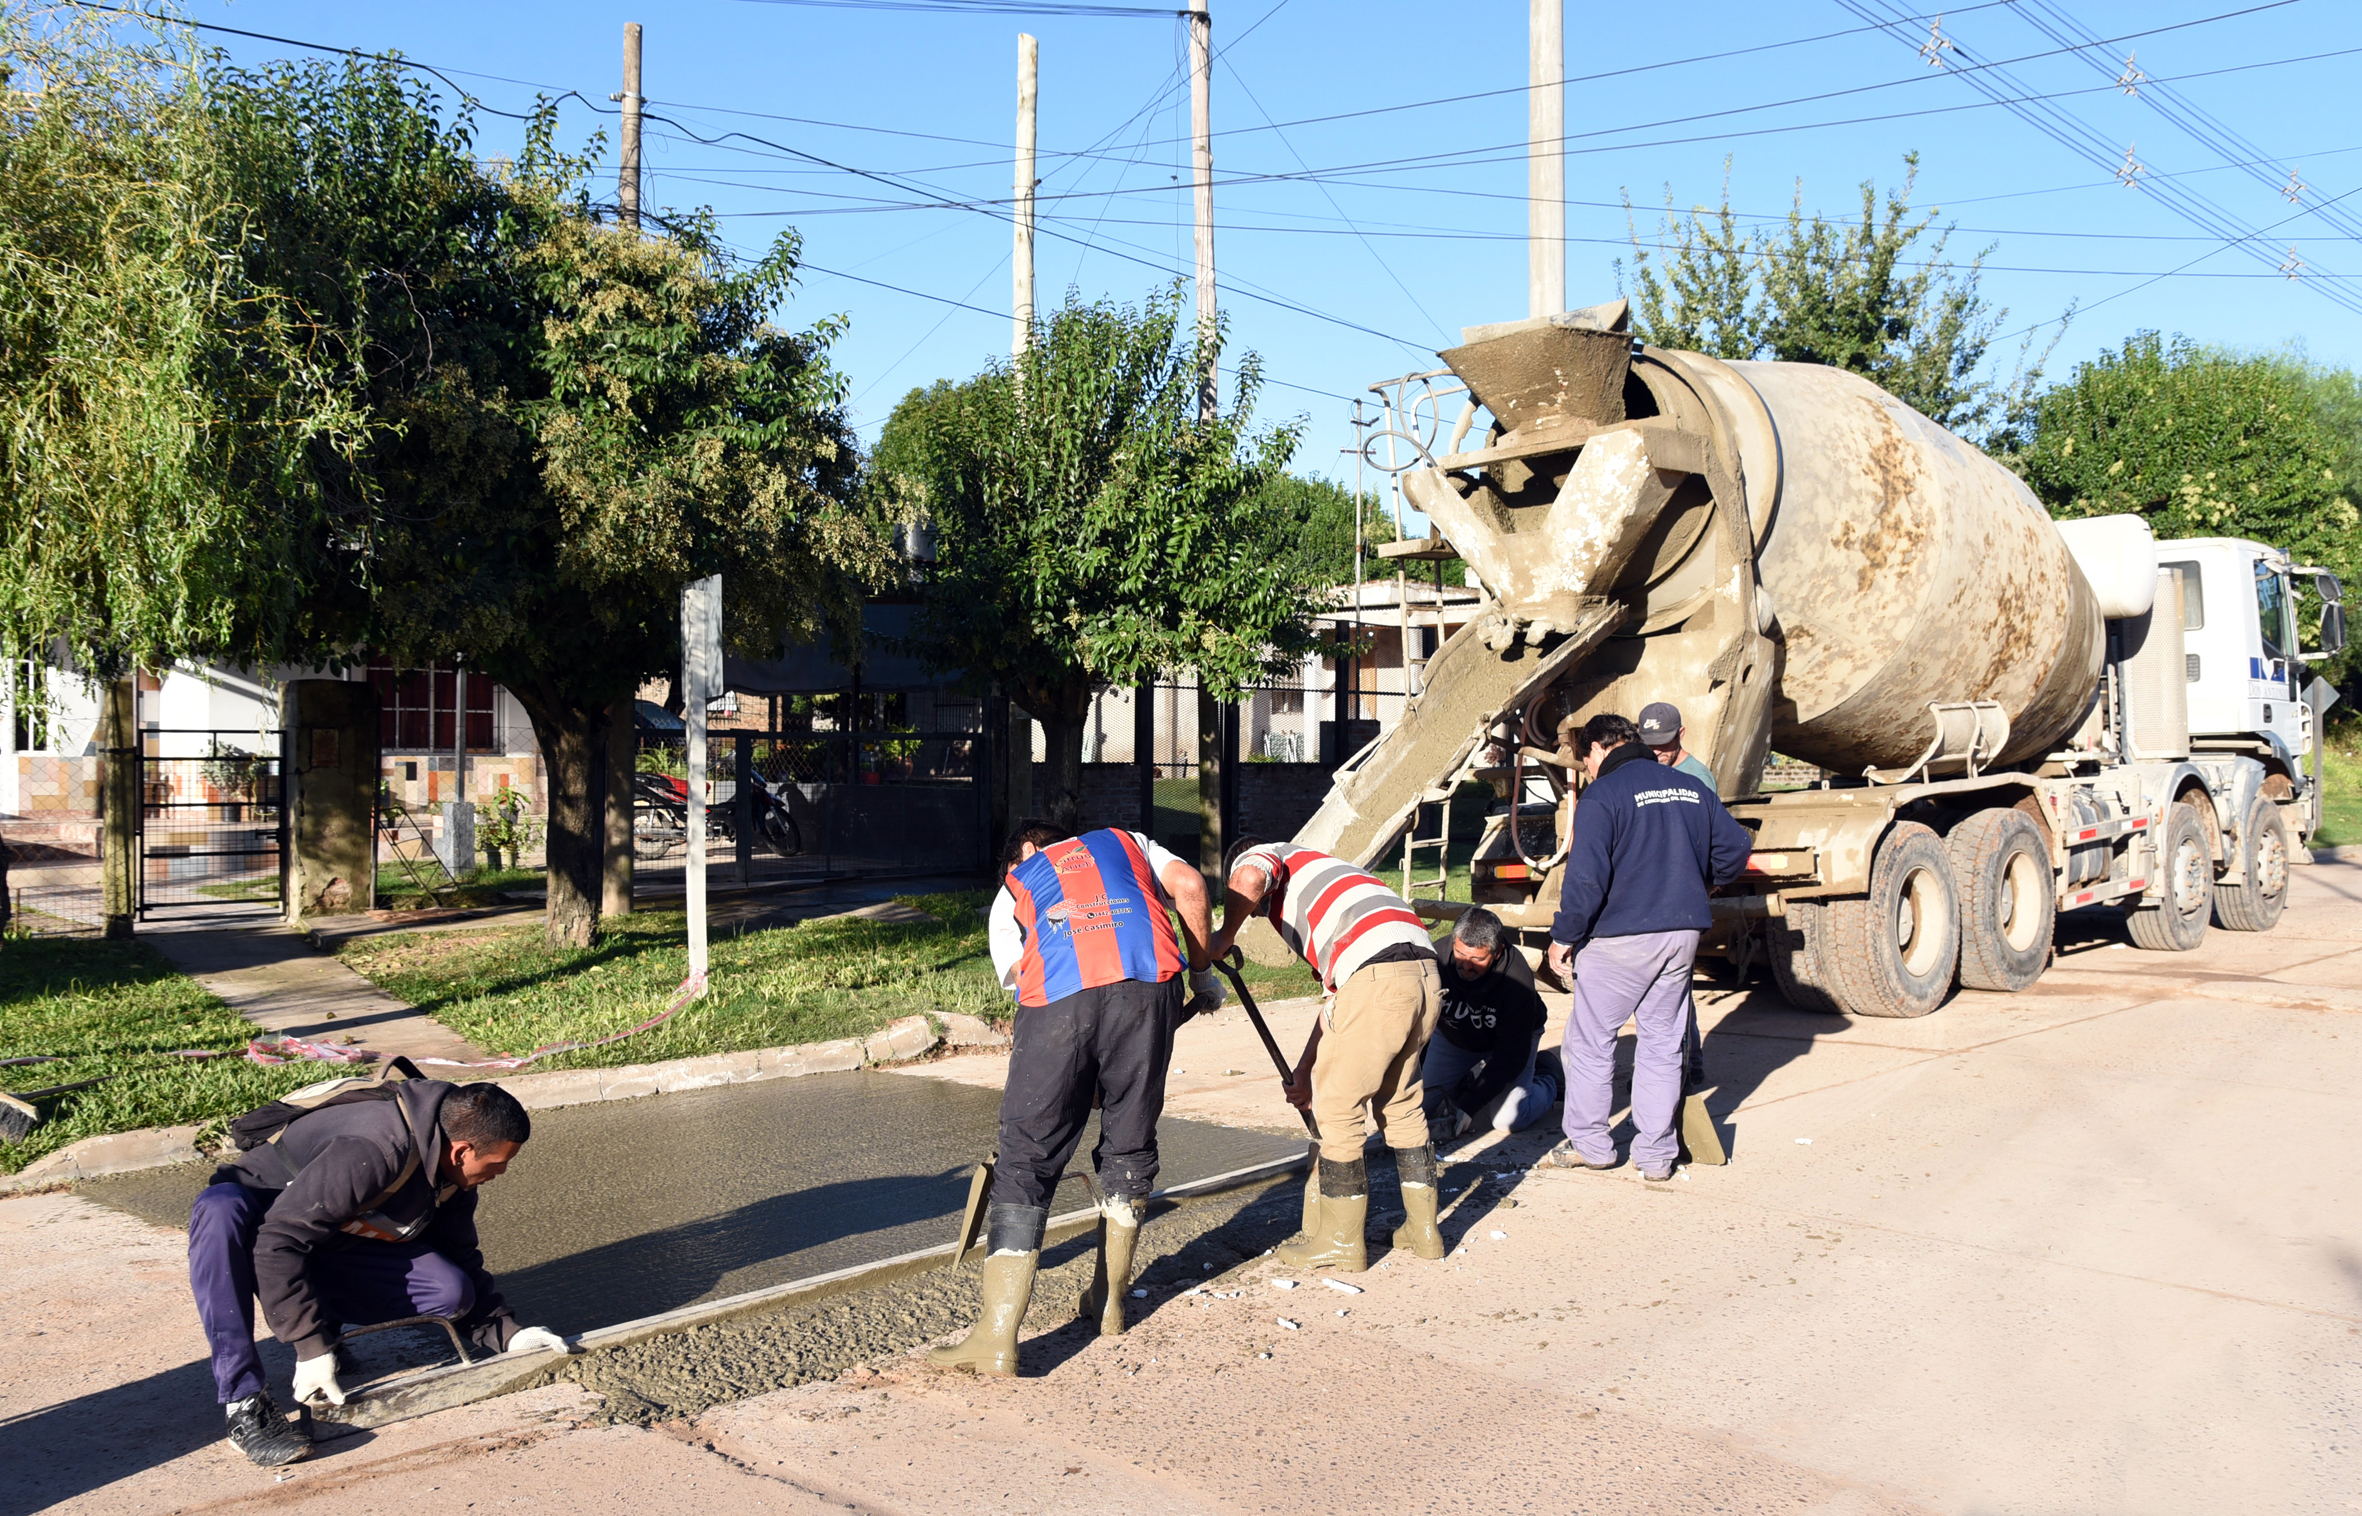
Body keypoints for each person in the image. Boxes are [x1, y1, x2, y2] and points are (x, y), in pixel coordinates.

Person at [931, 820, 1219, 1377]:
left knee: (1025, 1156)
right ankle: (1110, 1305)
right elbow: (1191, 889)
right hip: (1153, 984)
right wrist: (1202, 977)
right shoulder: (1129, 841)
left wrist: (1067, 1076)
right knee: (1130, 1146)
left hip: (1060, 996)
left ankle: (997, 1338)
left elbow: (1027, 984)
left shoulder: (1016, 886)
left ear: (1029, 851)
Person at [189, 1078, 568, 1468]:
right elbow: (278, 1241)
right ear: (462, 1151)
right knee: (220, 1211)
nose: (503, 1171)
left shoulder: (449, 1171)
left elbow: (460, 1255)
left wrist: (509, 1334)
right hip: (259, 1227)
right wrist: (308, 1345)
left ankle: (329, 1325)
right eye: (498, 1162)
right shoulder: (376, 1147)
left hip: (326, 1234)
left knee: (450, 1291)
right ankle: (243, 1402)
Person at [1210, 837, 1442, 1274]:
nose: (1256, 912)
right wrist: (1303, 1071)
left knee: (1339, 1112)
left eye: (1255, 907)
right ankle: (1424, 1233)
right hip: (1424, 973)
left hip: (1376, 974)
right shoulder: (1334, 884)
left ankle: (1339, 1243)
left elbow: (1250, 875)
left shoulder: (1271, 857)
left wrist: (1223, 935)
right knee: (1401, 1104)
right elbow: (1341, 1005)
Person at [1543, 712, 1751, 1181]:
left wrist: (1563, 937)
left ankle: (1592, 1146)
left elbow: (1586, 880)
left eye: (1586, 758)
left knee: (1592, 1043)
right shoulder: (1688, 787)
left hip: (1618, 939)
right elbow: (1736, 848)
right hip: (1681, 936)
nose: (1588, 768)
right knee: (1662, 1044)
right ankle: (1656, 1157)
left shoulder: (1603, 794)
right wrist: (1702, 886)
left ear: (1598, 749)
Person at [1422, 907, 1563, 1137]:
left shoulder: (1516, 980)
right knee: (1417, 1108)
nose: (1466, 966)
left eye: (1477, 959)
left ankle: (1549, 1078)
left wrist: (1469, 1107)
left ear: (1496, 953)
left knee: (1508, 1120)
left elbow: (1510, 1057)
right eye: (1461, 955)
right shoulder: (1436, 956)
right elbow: (1419, 1021)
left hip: (1506, 1045)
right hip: (1454, 1038)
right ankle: (1460, 1081)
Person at [1636, 700, 1717, 789]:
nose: (1656, 751)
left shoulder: (1698, 778)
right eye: (1649, 744)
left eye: (1663, 743)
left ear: (1681, 734)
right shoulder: (1643, 770)